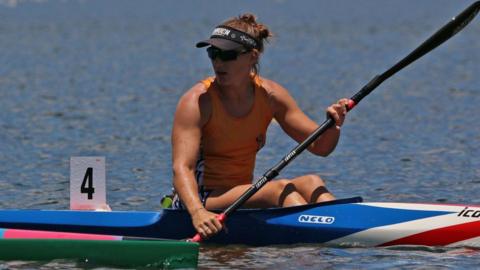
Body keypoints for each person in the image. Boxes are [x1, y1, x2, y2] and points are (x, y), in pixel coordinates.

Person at [171, 13, 349, 239]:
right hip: (200, 199)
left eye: (227, 54)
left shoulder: (271, 96)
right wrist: (197, 212)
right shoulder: (198, 101)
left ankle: (348, 227)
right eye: (213, 53)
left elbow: (321, 147)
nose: (218, 62)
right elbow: (181, 168)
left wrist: (334, 125)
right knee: (279, 189)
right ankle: (318, 242)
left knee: (312, 182)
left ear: (252, 57)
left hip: (243, 194)